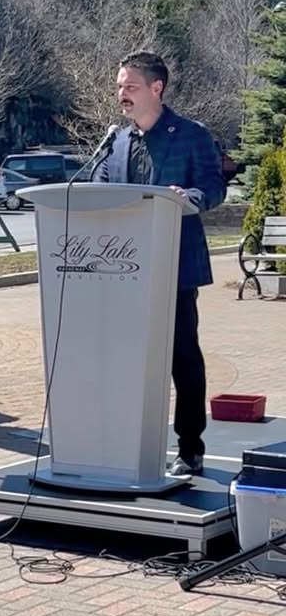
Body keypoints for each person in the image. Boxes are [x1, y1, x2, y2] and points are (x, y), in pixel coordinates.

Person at [92, 51, 225, 475]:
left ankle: (190, 448)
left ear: (156, 88)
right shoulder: (117, 140)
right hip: (121, 269)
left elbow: (212, 186)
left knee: (182, 358)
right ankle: (126, 443)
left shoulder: (190, 134)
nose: (121, 95)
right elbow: (98, 187)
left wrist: (188, 199)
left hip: (173, 267)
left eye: (129, 86)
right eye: (118, 87)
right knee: (125, 360)